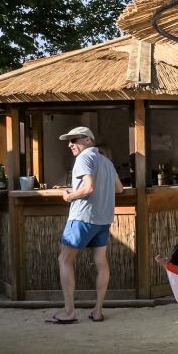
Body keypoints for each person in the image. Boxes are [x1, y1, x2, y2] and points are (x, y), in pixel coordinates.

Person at [50, 127, 122, 324]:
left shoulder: (83, 158)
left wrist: (68, 195)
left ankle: (69, 312)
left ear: (89, 140)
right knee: (101, 262)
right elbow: (119, 188)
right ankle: (98, 311)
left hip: (82, 217)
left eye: (75, 140)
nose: (70, 144)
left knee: (64, 260)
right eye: (69, 141)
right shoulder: (106, 161)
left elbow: (89, 187)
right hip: (103, 219)